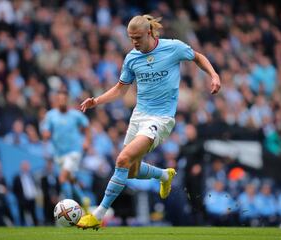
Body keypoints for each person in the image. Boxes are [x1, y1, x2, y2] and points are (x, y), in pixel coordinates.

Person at [77, 14, 220, 229]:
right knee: (131, 171)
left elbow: (197, 57)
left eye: (138, 37)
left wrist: (214, 75)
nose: (134, 42)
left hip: (161, 118)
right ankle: (164, 175)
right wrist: (95, 101)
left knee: (122, 160)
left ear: (150, 33)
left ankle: (98, 214)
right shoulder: (132, 58)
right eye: (131, 38)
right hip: (139, 116)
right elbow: (120, 89)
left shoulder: (173, 48)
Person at [41, 90, 92, 213]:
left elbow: (87, 127)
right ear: (56, 101)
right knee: (69, 179)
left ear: (67, 101)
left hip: (74, 152)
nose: (62, 102)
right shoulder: (50, 115)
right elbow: (45, 131)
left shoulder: (76, 115)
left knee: (63, 178)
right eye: (60, 99)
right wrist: (46, 134)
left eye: (64, 99)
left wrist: (87, 141)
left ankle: (67, 210)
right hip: (59, 154)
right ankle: (83, 200)